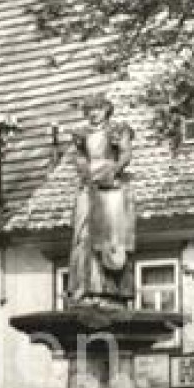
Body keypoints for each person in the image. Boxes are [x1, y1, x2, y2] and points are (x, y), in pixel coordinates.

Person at [66, 95, 136, 305]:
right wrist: (84, 169)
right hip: (88, 184)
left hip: (110, 185)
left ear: (106, 110)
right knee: (82, 233)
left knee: (110, 235)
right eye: (89, 110)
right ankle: (84, 287)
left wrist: (112, 171)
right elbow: (79, 156)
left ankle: (111, 288)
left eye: (97, 109)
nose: (93, 113)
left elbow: (125, 154)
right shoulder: (81, 133)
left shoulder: (118, 129)